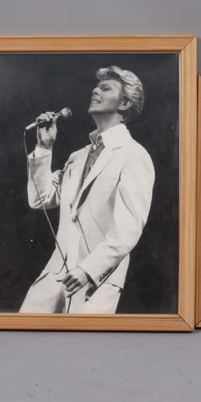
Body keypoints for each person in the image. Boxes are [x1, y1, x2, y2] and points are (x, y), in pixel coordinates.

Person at [21, 66, 155, 314]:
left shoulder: (134, 155)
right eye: (96, 86)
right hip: (55, 277)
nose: (95, 90)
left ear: (124, 103)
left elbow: (129, 227)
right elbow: (40, 200)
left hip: (96, 281)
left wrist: (89, 269)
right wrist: (44, 148)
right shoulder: (78, 157)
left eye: (105, 88)